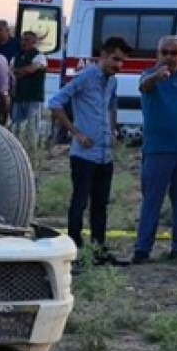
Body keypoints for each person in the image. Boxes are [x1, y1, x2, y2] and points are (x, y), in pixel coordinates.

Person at [47, 36, 133, 264]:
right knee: (80, 201)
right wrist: (75, 132)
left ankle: (99, 251)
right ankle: (74, 250)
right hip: (84, 154)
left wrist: (113, 131)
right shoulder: (85, 77)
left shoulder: (112, 81)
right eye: (115, 59)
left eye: (122, 61)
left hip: (104, 153)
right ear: (103, 55)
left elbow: (112, 106)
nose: (119, 65)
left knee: (100, 204)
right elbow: (55, 102)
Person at [132, 35, 177, 264]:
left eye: (174, 53)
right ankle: (143, 248)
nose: (169, 57)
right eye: (165, 52)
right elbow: (144, 86)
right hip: (157, 150)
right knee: (152, 200)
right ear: (157, 54)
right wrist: (157, 76)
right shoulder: (149, 76)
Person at [11, 30, 47, 146]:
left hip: (33, 97)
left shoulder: (40, 57)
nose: (23, 42)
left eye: (27, 40)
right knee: (16, 127)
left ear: (34, 42)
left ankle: (32, 149)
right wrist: (23, 71)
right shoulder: (15, 57)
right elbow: (11, 72)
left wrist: (19, 71)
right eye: (22, 40)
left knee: (32, 127)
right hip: (19, 97)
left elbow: (31, 69)